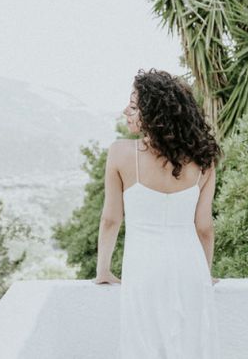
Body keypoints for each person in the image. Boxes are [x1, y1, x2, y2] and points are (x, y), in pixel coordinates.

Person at [93, 68, 222, 358]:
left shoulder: (120, 153)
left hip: (144, 272)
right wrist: (205, 273)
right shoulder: (204, 160)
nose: (125, 110)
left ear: (153, 115)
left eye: (134, 106)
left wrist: (103, 270)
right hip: (190, 271)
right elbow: (204, 228)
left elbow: (111, 219)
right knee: (192, 348)